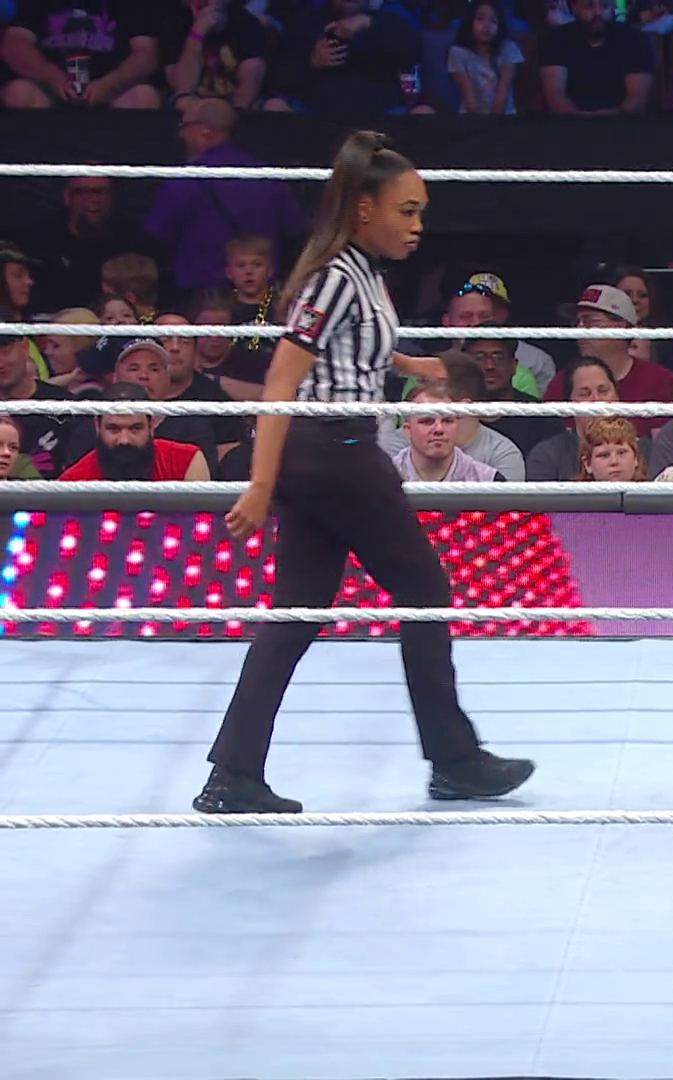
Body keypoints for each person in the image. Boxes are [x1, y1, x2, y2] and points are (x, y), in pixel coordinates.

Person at [194, 131, 535, 816]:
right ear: (363, 209)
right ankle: (455, 759)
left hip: (326, 450)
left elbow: (351, 348)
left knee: (298, 609)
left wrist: (411, 365)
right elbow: (282, 380)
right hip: (333, 450)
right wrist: (259, 484)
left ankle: (232, 773)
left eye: (421, 211)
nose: (417, 225)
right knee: (424, 587)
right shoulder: (334, 278)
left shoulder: (363, 274)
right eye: (406, 211)